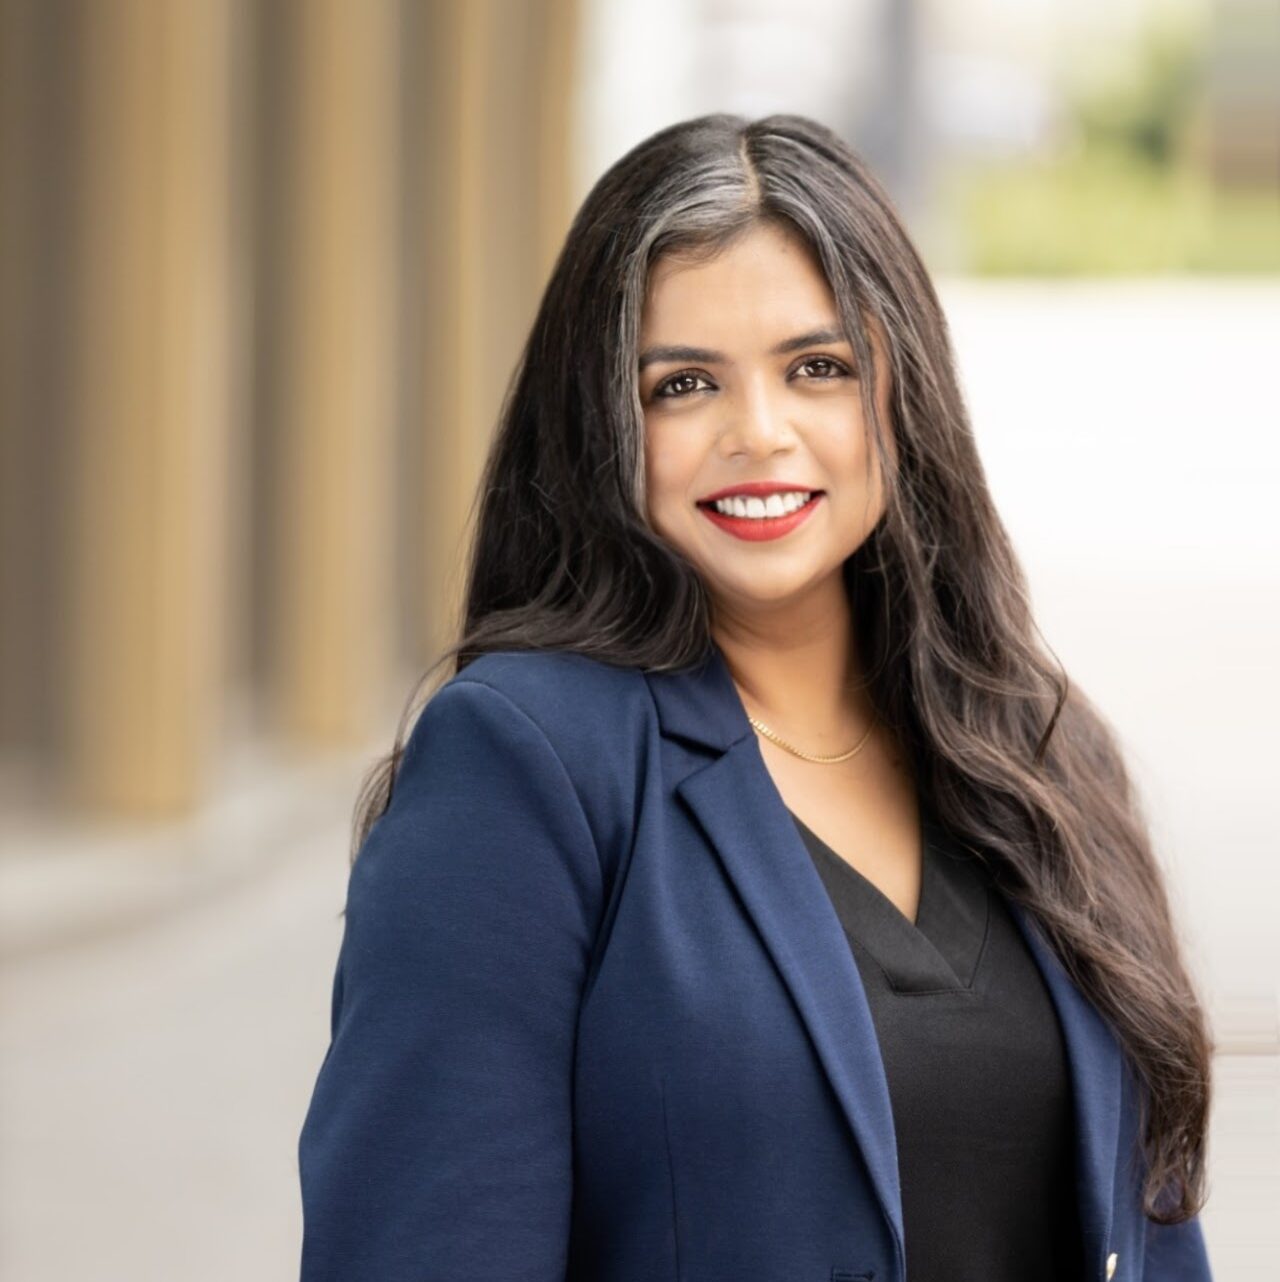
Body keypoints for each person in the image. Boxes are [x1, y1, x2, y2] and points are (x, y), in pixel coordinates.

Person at [296, 113, 1215, 1281]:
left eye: (816, 368)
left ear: (901, 390)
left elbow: (1150, 1224)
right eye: (683, 385)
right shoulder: (523, 766)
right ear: (603, 426)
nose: (759, 434)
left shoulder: (1042, 751)